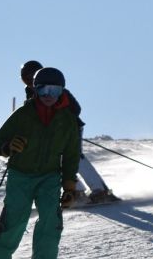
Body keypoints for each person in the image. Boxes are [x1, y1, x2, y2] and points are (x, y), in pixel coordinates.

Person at [0, 66, 83, 259]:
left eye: (54, 90)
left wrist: (69, 187)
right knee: (13, 222)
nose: (48, 95)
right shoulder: (23, 115)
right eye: (43, 89)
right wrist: (9, 146)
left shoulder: (67, 120)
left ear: (62, 92)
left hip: (49, 176)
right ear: (35, 90)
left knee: (50, 219)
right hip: (21, 175)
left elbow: (71, 156)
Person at [19, 60, 120, 207]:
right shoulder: (31, 93)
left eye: (30, 77)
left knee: (75, 157)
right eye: (25, 78)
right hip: (52, 132)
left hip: (70, 128)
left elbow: (76, 108)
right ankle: (77, 191)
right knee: (58, 160)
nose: (28, 81)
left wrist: (61, 118)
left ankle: (99, 191)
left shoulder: (56, 89)